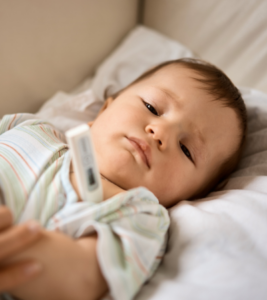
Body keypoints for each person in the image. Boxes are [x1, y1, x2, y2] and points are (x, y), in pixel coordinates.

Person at [0, 58, 247, 300]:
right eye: (152, 107)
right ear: (104, 109)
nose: (160, 132)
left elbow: (84, 278)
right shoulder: (31, 128)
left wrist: (18, 248)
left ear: (193, 196)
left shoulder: (140, 216)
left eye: (186, 149)